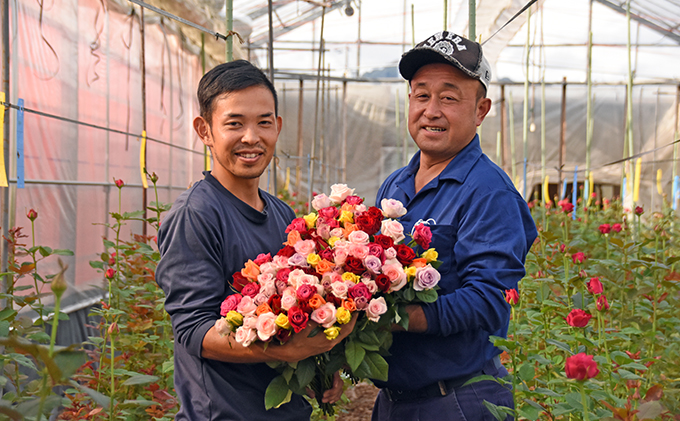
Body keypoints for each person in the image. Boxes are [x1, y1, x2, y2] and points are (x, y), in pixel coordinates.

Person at [156, 60, 355, 420]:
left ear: (277, 127)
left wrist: (317, 367)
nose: (251, 137)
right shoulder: (197, 215)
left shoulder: (280, 214)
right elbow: (193, 331)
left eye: (264, 122)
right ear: (205, 130)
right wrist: (283, 351)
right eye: (234, 123)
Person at [372, 32, 537, 420]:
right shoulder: (396, 184)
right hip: (396, 401)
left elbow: (489, 301)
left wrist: (392, 317)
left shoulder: (488, 192)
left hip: (457, 400)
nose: (431, 110)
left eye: (449, 97)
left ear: (481, 110)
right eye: (421, 95)